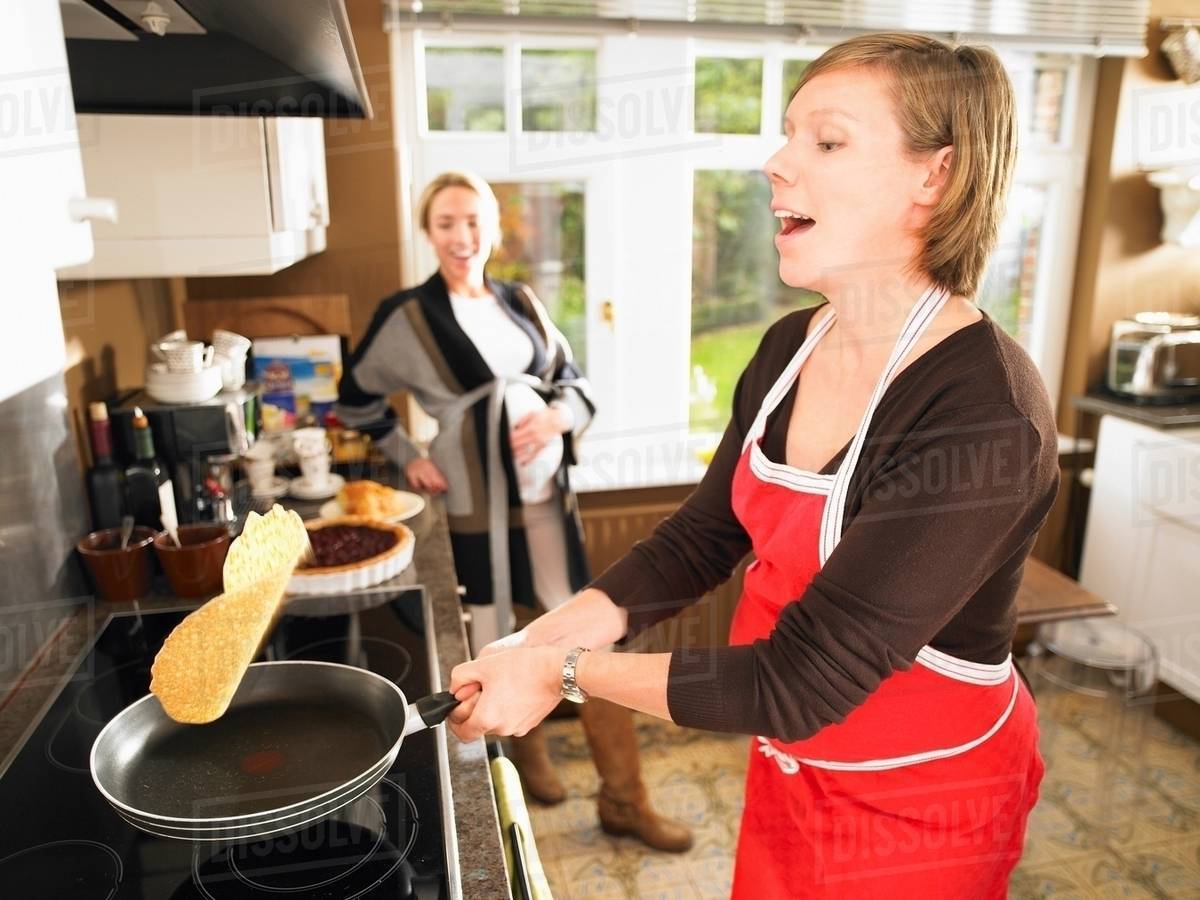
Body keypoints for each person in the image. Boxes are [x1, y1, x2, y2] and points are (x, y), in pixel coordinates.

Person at [446, 33, 1060, 898]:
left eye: (827, 141)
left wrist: (562, 672)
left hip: (924, 807)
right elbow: (703, 537)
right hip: (790, 766)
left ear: (937, 177)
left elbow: (801, 678)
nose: (776, 163)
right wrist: (535, 638)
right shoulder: (788, 348)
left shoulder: (986, 412)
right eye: (786, 135)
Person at [336, 170, 692, 853]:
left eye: (473, 222)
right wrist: (407, 450)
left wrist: (556, 418)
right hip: (474, 512)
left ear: (491, 228)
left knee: (588, 643)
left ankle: (626, 800)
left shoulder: (521, 301)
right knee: (494, 641)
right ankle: (529, 766)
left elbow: (574, 382)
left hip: (545, 507)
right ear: (427, 230)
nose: (462, 237)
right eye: (446, 223)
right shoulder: (405, 317)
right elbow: (356, 399)